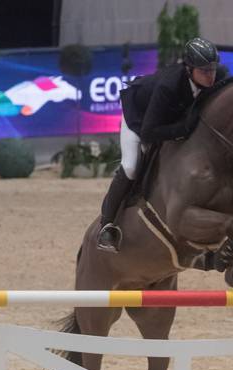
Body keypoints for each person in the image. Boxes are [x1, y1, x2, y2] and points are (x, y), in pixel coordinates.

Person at [96, 37, 225, 253]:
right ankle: (107, 226)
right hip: (139, 119)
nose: (210, 76)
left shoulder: (210, 82)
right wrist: (182, 129)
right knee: (131, 166)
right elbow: (149, 131)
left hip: (169, 120)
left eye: (212, 69)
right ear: (189, 68)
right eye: (204, 71)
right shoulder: (169, 86)